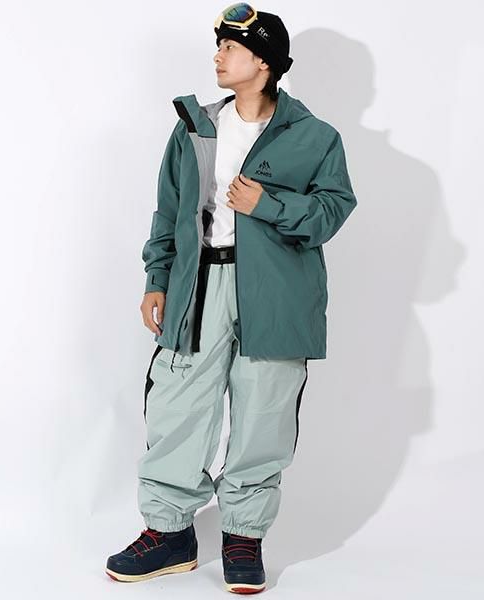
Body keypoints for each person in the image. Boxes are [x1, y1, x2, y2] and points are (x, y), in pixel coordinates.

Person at [105, 2, 357, 594]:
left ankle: (243, 536)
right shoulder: (194, 127)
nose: (217, 55)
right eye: (218, 44)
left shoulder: (316, 136)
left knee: (264, 412)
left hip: (278, 293)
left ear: (263, 61)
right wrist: (157, 280)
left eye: (230, 47)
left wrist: (266, 205)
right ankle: (170, 533)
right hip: (198, 286)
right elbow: (168, 211)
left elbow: (332, 211)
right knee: (177, 406)